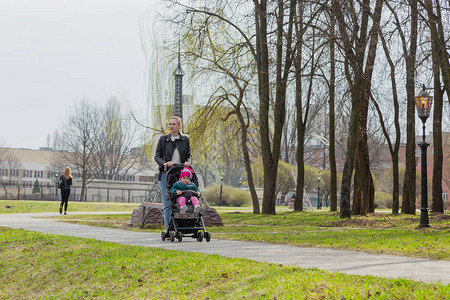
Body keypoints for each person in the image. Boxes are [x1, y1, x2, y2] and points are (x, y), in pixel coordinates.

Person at [154, 116, 192, 233]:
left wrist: (188, 162)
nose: (171, 126)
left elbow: (189, 155)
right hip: (167, 173)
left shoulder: (185, 139)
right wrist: (165, 163)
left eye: (174, 124)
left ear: (179, 126)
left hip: (181, 174)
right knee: (167, 202)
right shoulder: (163, 139)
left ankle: (182, 226)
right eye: (169, 124)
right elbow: (157, 156)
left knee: (184, 198)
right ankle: (168, 228)